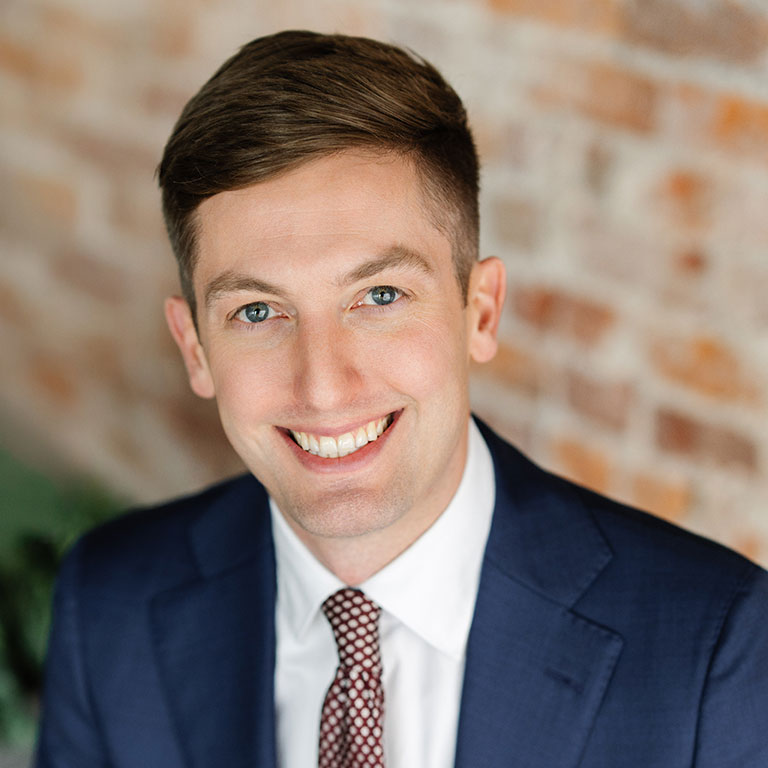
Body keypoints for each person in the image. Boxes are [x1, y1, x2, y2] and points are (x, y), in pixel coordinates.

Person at [35, 30, 768, 768]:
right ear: (195, 348)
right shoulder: (108, 603)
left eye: (378, 296)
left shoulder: (713, 651)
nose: (323, 386)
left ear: (479, 312)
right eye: (257, 312)